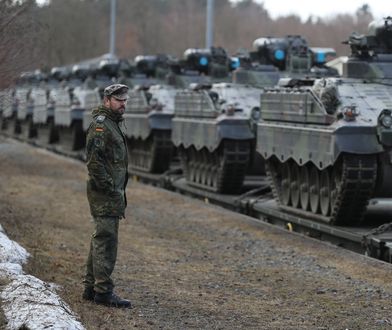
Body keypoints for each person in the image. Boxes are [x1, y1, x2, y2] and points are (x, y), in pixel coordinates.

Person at [82, 83, 131, 308]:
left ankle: (91, 287)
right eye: (118, 100)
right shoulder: (102, 126)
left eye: (124, 100)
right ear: (107, 100)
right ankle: (103, 291)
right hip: (105, 193)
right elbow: (94, 161)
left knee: (100, 237)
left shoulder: (113, 124)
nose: (122, 104)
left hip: (110, 192)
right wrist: (109, 187)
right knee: (106, 240)